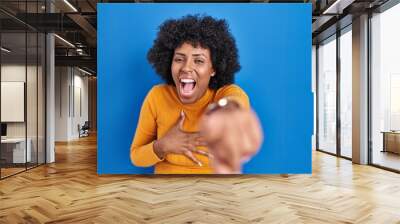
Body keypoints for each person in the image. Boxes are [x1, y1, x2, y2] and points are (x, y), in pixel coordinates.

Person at [130, 14, 263, 174]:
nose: (186, 67)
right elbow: (136, 156)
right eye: (179, 59)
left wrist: (228, 111)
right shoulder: (157, 96)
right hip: (165, 190)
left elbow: (234, 100)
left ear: (213, 69)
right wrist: (163, 146)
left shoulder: (224, 93)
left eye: (198, 61)